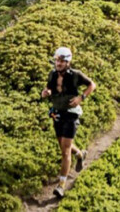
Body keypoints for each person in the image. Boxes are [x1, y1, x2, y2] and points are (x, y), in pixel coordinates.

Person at [41, 47, 96, 199]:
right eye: (57, 60)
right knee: (64, 145)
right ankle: (80, 154)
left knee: (65, 151)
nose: (58, 63)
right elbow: (49, 88)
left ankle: (61, 185)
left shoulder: (76, 75)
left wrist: (81, 98)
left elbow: (92, 85)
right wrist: (45, 93)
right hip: (57, 113)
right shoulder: (52, 74)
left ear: (68, 62)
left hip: (71, 115)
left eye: (61, 61)